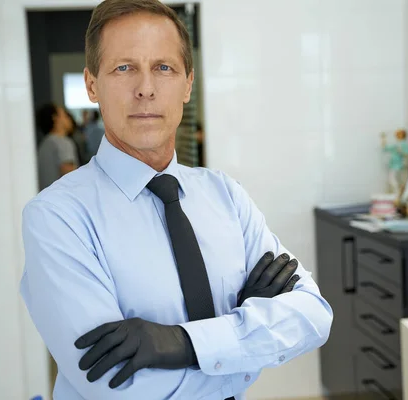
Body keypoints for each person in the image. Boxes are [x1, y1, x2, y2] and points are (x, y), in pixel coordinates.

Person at [20, 1, 333, 399]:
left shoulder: (226, 196)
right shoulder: (56, 217)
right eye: (124, 68)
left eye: (163, 68)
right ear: (92, 84)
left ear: (187, 84)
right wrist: (245, 339)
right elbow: (116, 387)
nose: (146, 88)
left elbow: (312, 316)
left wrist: (182, 344)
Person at [35, 103, 79, 191]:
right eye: (65, 115)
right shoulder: (63, 142)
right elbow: (71, 177)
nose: (69, 119)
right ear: (55, 118)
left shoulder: (44, 144)